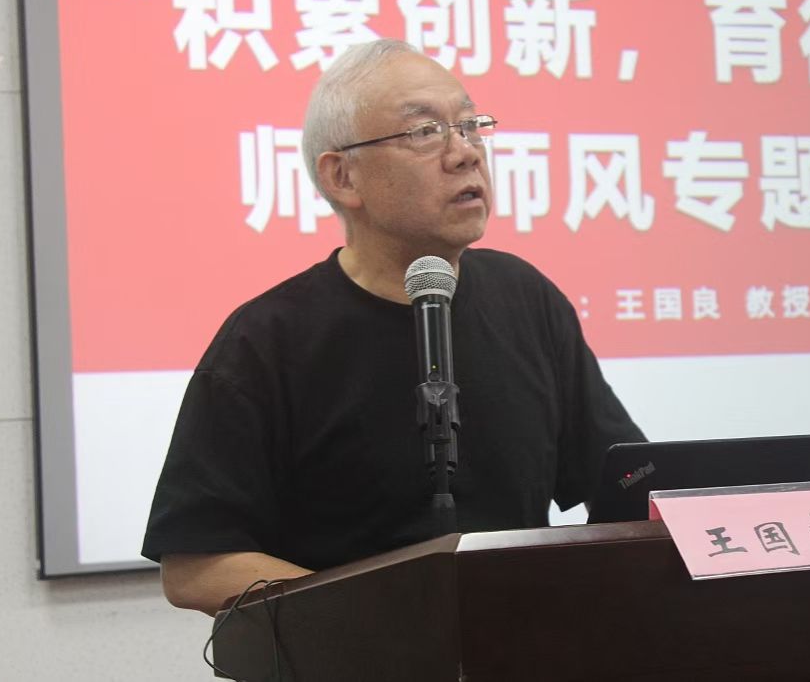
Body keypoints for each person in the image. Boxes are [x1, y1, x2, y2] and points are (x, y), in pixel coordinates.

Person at [142, 39, 644, 615]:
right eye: (424, 132)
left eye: (470, 126)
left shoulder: (527, 298)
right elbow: (197, 567)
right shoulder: (267, 340)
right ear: (342, 177)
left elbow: (625, 482)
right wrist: (380, 620)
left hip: (521, 643)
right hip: (353, 651)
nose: (465, 154)